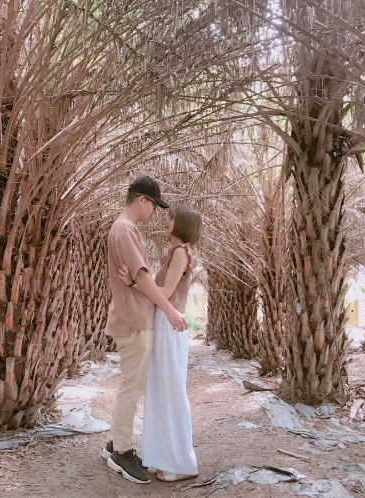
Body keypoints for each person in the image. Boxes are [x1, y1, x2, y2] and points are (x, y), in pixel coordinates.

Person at [103, 176, 188, 485]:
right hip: (134, 321)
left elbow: (137, 279)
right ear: (142, 200)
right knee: (131, 387)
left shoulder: (125, 229)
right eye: (154, 205)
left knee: (131, 384)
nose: (154, 212)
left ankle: (117, 443)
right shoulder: (125, 230)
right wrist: (170, 310)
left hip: (134, 318)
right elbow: (141, 278)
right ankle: (121, 452)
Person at [119, 205, 202, 482]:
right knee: (160, 391)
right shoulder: (176, 252)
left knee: (170, 391)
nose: (166, 220)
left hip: (170, 324)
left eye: (172, 218)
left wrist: (134, 282)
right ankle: (163, 458)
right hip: (165, 322)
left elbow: (165, 292)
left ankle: (183, 464)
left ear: (184, 224)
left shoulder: (180, 253)